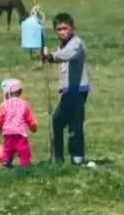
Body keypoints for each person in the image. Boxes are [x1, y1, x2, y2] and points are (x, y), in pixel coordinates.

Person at [40, 12, 94, 167]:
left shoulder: (76, 43)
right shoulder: (63, 44)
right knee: (59, 121)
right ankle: (60, 157)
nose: (62, 32)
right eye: (58, 29)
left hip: (77, 90)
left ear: (72, 27)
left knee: (74, 123)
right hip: (68, 91)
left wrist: (50, 56)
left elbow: (67, 55)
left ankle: (77, 157)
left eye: (65, 28)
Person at [0, 77, 37, 169]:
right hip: (20, 134)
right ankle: (25, 165)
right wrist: (33, 127)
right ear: (20, 92)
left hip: (8, 133)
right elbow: (30, 118)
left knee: (7, 150)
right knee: (23, 150)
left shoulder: (4, 105)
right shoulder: (24, 104)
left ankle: (6, 163)